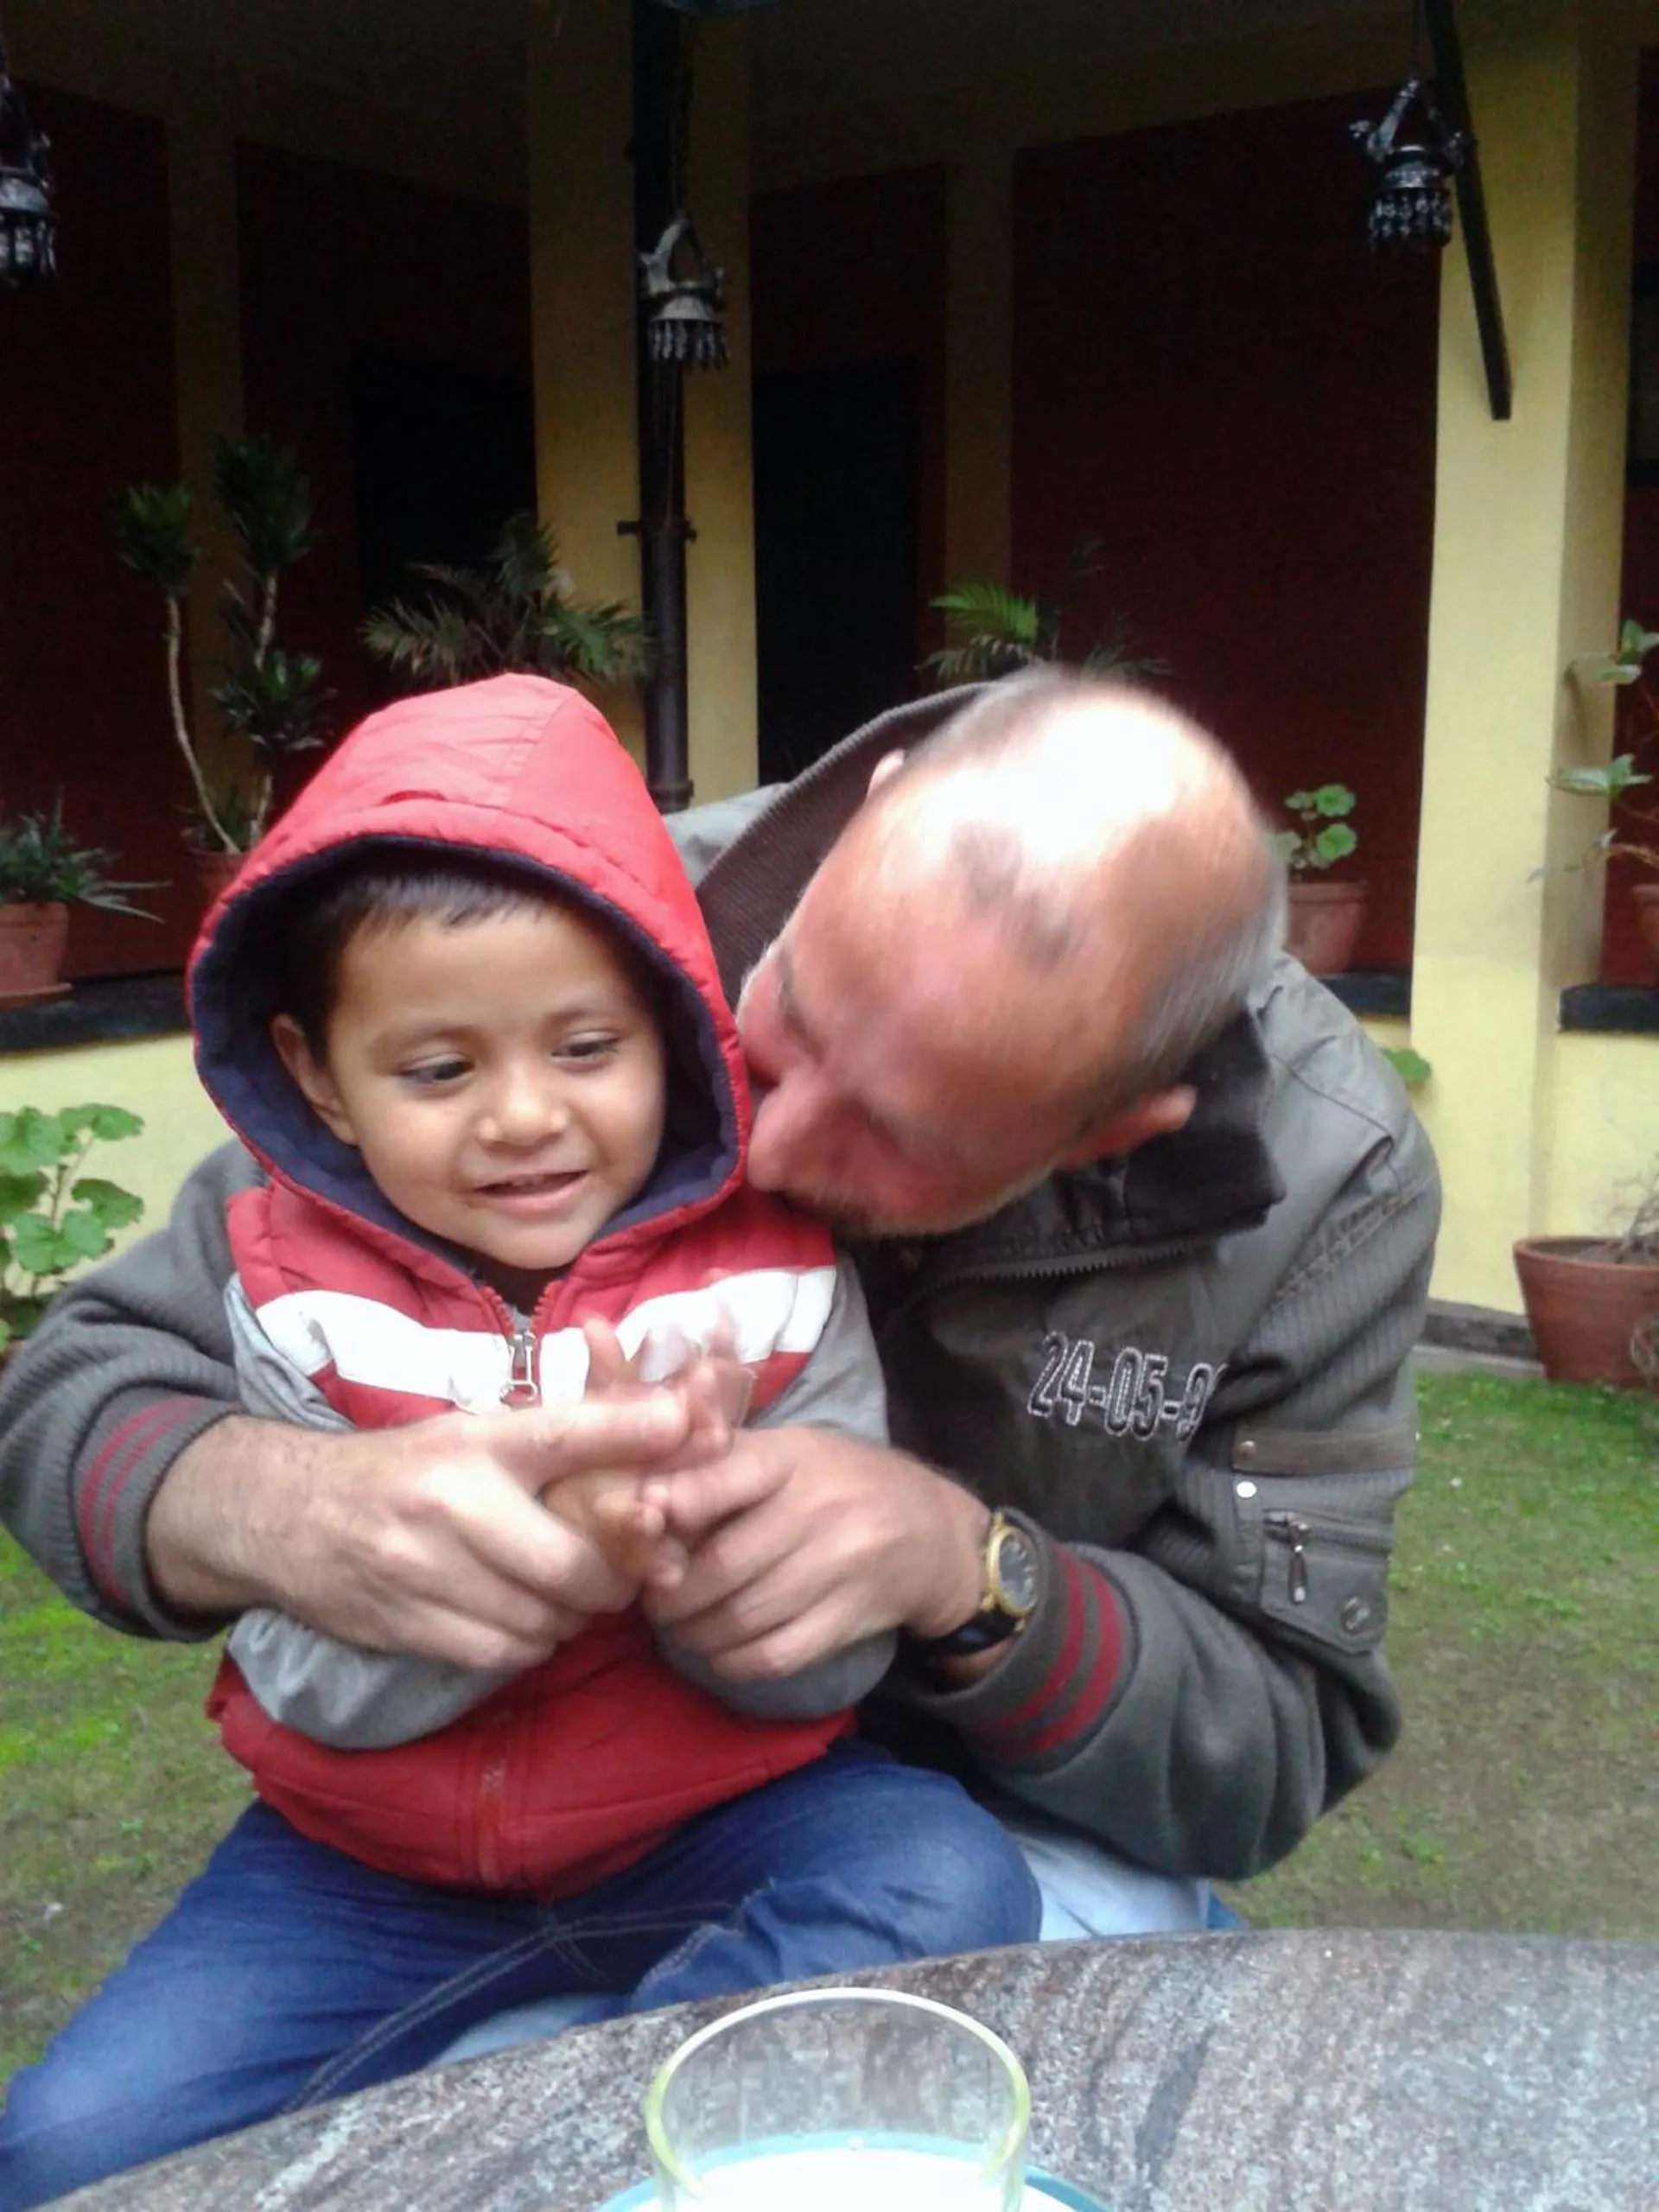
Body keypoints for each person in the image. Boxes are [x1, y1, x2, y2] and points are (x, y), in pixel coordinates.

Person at [0, 674, 1438, 2059]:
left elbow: (1274, 1737)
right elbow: (92, 1378)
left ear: (1109, 1135)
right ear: (872, 813)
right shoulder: (560, 909)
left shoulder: (1328, 1183)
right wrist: (278, 1503)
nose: (775, 1148)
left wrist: (971, 1571)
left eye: (905, 1140)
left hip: (956, 1839)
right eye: (793, 1016)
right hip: (451, 1831)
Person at [0, 676, 1039, 2206]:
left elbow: (825, 1670)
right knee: (65, 2152)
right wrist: (526, 1577)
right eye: (437, 1070)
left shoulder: (773, 1273)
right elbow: (309, 1683)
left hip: (723, 1811)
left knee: (950, 1879)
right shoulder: (276, 1281)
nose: (522, 1120)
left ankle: (577, 2147)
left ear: (677, 1032)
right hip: (358, 1860)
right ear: (313, 1074)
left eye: (585, 1048)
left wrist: (700, 1577)